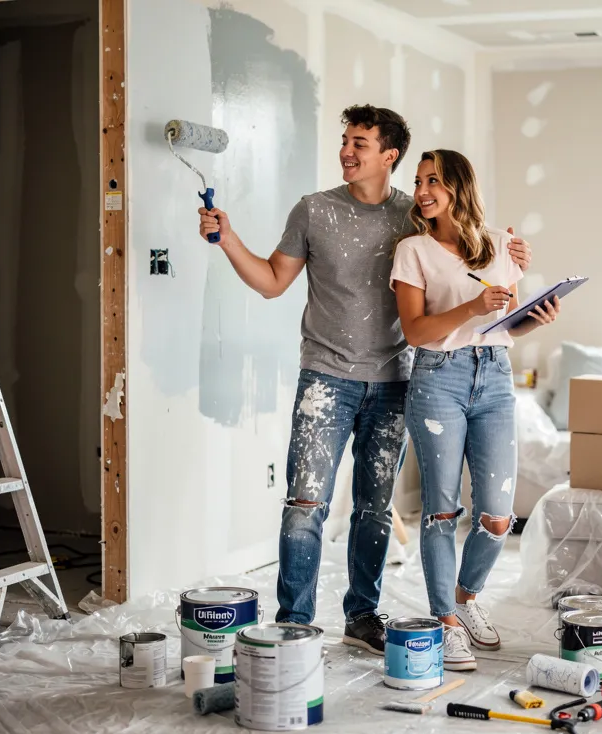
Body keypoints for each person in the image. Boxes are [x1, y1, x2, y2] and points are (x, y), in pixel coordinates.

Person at [198, 106, 533, 655]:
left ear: (388, 155)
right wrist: (228, 238)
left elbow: (466, 245)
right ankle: (294, 623)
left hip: (396, 380)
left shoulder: (414, 218)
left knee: (375, 509)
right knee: (306, 504)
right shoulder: (314, 210)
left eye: (359, 143)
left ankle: (362, 615)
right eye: (345, 142)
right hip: (326, 378)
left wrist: (514, 253)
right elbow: (272, 282)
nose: (347, 152)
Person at [390, 149, 561, 671]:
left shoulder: (500, 247)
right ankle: (444, 620)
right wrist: (471, 307)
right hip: (438, 378)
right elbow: (416, 331)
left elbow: (504, 325)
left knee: (498, 515)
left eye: (434, 180)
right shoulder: (413, 249)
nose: (422, 191)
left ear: (460, 186)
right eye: (419, 181)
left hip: (495, 376)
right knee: (441, 510)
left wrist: (536, 318)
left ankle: (466, 598)